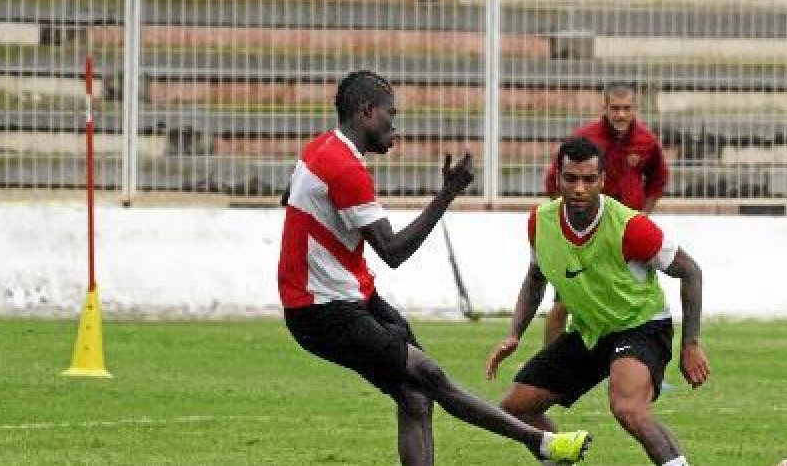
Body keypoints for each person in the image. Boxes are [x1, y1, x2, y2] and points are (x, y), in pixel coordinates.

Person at [278, 70, 591, 466]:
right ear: (366, 112)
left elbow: (289, 196)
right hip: (322, 310)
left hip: (353, 297)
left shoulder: (321, 150)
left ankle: (536, 442)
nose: (395, 125)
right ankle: (538, 441)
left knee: (416, 394)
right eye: (390, 115)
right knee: (429, 375)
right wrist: (447, 194)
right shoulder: (344, 167)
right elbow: (393, 251)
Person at [486, 136, 709, 466]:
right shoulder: (540, 222)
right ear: (557, 178)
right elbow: (535, 278)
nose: (579, 189)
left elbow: (690, 271)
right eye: (571, 178)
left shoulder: (631, 227)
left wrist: (691, 343)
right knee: (516, 409)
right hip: (590, 332)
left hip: (641, 326)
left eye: (589, 180)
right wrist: (514, 334)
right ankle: (561, 456)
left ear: (602, 181)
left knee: (628, 407)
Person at [541, 82, 670, 343]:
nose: (621, 115)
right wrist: (572, 219)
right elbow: (553, 181)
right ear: (604, 107)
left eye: (627, 108)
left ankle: (643, 361)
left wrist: (643, 215)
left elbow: (658, 180)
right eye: (615, 108)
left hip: (625, 237)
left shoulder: (647, 141)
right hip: (587, 236)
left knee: (636, 298)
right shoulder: (584, 140)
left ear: (636, 108)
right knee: (564, 300)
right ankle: (547, 362)